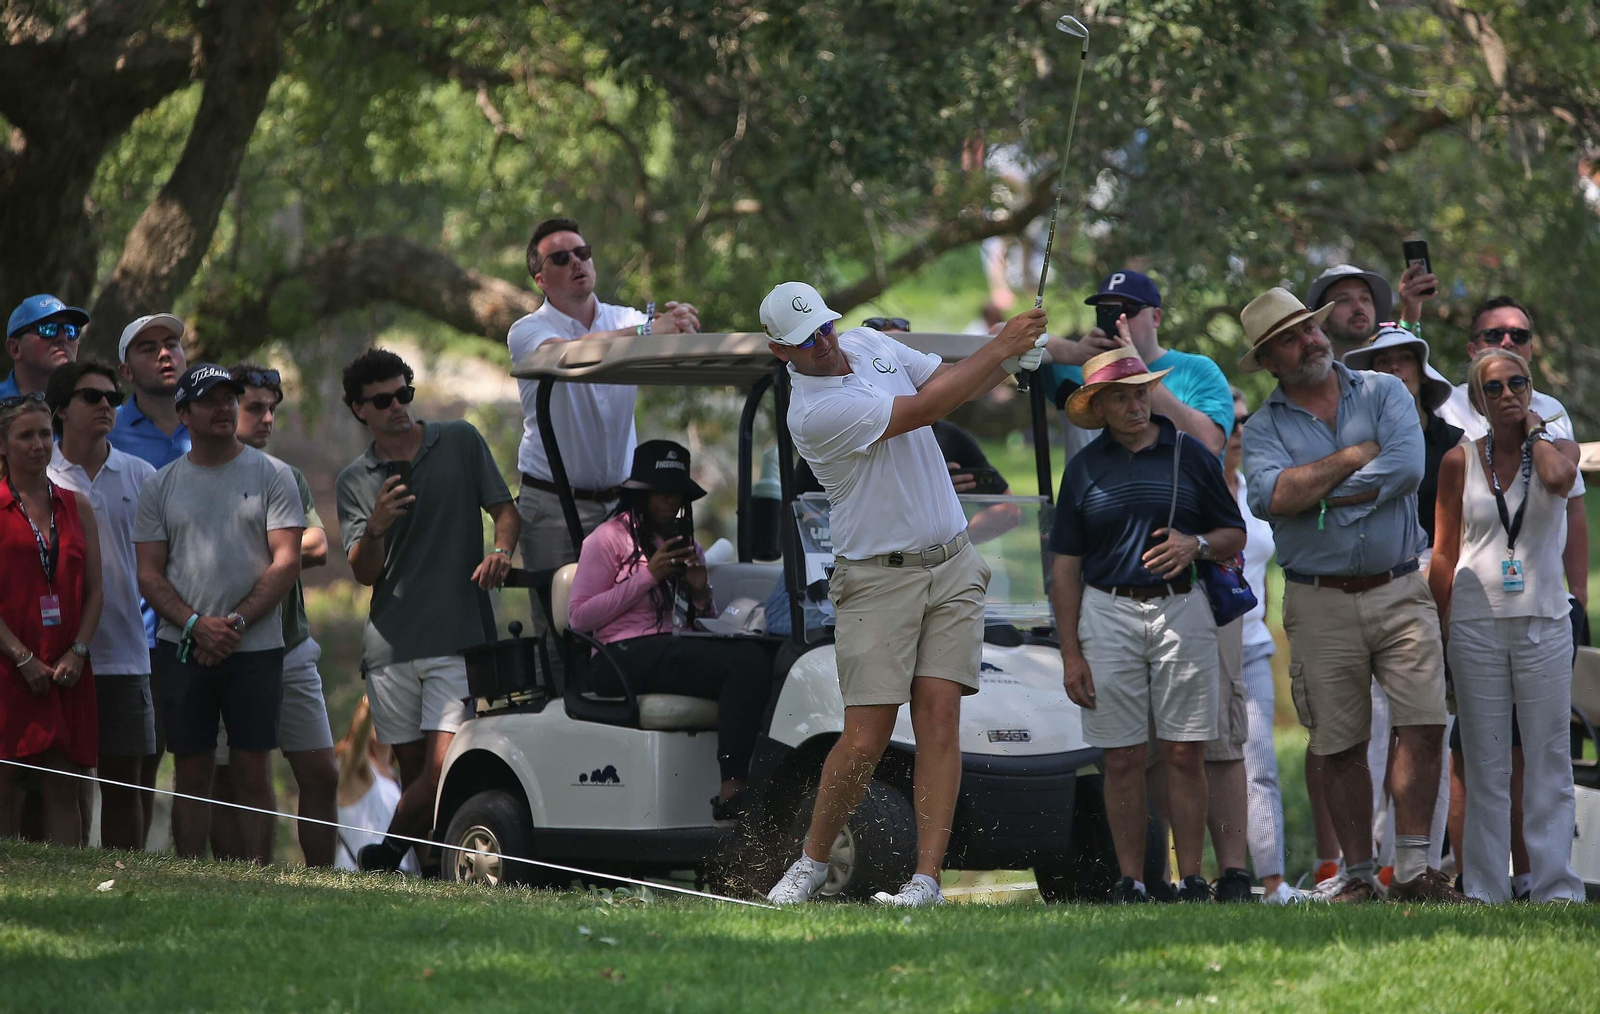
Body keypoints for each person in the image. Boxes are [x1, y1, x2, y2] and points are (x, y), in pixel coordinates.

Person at [760, 282, 1047, 907]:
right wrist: (1002, 346)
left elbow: (945, 379)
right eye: (807, 339)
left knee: (940, 717)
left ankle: (926, 882)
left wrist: (1007, 360)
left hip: (950, 562)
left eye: (826, 327)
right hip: (875, 578)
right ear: (782, 350)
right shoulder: (811, 414)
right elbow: (924, 408)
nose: (824, 343)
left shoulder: (866, 343)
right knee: (866, 735)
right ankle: (811, 862)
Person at [1239, 287, 1466, 903]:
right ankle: (1360, 876)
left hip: (1400, 585)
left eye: (1309, 329)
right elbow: (1273, 498)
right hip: (1318, 600)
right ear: (1269, 361)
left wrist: (1320, 491)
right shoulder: (1261, 429)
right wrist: (1353, 459)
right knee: (1339, 741)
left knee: (1423, 723)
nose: (1310, 340)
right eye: (1289, 338)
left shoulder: (1385, 390)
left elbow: (1407, 468)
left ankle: (1415, 871)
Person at [1042, 271, 1249, 900]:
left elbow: (1233, 533)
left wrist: (1197, 545)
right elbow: (1065, 568)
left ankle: (1194, 878)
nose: (1135, 405)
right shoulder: (1082, 471)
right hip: (1106, 614)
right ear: (1097, 407)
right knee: (1123, 756)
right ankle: (1132, 878)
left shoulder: (1188, 454)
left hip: (1182, 607)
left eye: (1141, 394)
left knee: (1187, 751)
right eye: (1121, 397)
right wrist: (1071, 650)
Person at [335, 348, 518, 873]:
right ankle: (434, 883)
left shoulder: (459, 440)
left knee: (440, 772)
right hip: (390, 649)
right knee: (417, 778)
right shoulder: (355, 480)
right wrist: (375, 526)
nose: (398, 406)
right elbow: (364, 572)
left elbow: (504, 510)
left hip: (458, 638)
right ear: (359, 410)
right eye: (383, 400)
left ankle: (385, 855)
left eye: (404, 393)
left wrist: (501, 551)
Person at [1431, 295, 1588, 894]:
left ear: (1529, 388)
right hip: (1475, 623)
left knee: (1548, 758)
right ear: (1478, 399)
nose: (1506, 396)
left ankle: (1554, 886)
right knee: (1486, 759)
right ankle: (1486, 887)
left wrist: (1533, 431)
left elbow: (1557, 480)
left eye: (1516, 384)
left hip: (1544, 620)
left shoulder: (1558, 447)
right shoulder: (1456, 461)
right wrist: (1440, 627)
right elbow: (1445, 552)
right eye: (1493, 389)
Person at [133, 364, 305, 861]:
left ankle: (260, 879)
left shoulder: (274, 476)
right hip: (182, 646)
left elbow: (287, 561)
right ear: (183, 413)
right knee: (191, 770)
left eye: (229, 398)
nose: (223, 408)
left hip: (256, 647)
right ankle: (190, 873)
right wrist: (195, 625)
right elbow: (149, 573)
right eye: (209, 400)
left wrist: (234, 625)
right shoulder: (160, 486)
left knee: (254, 770)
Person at [508, 217, 700, 643]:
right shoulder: (528, 330)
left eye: (583, 252)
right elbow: (568, 356)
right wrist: (651, 330)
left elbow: (659, 338)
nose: (577, 262)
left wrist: (680, 323)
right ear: (541, 279)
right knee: (559, 629)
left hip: (620, 506)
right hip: (554, 504)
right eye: (561, 258)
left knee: (628, 617)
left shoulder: (624, 318)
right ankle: (561, 708)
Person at [567, 440, 774, 819]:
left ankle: (765, 786)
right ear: (641, 494)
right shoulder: (608, 538)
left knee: (763, 657)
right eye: (660, 491)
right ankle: (732, 786)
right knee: (746, 662)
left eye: (676, 492)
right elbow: (579, 617)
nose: (669, 500)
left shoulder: (682, 543)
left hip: (669, 646)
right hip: (617, 657)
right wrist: (649, 577)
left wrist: (700, 589)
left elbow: (697, 618)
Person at [203, 364, 339, 866]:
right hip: (223, 647)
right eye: (255, 407)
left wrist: (257, 551)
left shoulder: (286, 476)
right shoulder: (197, 473)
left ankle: (322, 880)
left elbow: (319, 544)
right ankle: (238, 878)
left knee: (322, 772)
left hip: (290, 644)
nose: (266, 419)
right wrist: (280, 550)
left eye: (272, 410)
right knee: (228, 776)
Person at [44, 361, 156, 851]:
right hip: (51, 654)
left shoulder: (143, 475)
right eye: (92, 397)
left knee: (124, 778)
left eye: (113, 396)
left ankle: (123, 880)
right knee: (58, 778)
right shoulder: (37, 474)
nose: (107, 405)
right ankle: (62, 875)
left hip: (126, 651)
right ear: (62, 410)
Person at [0, 392, 102, 845]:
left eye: (45, 433)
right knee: (5, 787)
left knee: (67, 782)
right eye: (25, 435)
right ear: (3, 444)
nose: (38, 444)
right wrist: (21, 657)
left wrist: (78, 650)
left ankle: (70, 883)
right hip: (9, 668)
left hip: (65, 669)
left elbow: (97, 590)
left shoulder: (75, 505)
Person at [108, 312, 189, 841]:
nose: (165, 354)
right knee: (137, 764)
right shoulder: (106, 428)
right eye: (148, 348)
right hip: (136, 626)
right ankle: (130, 868)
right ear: (125, 370)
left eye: (172, 344)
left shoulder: (210, 420)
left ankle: (207, 878)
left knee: (206, 762)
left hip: (205, 620)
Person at [1224, 387, 1304, 905]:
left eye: (1242, 421)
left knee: (1260, 764)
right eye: (1225, 422)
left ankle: (1273, 883)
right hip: (1202, 644)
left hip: (1252, 640)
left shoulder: (1255, 484)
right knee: (1192, 761)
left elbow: (1267, 564)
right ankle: (1197, 877)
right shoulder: (1193, 486)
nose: (1236, 431)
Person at [332, 696, 419, 874]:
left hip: (400, 881)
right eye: (379, 713)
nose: (385, 719)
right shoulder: (353, 771)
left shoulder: (399, 778)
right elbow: (356, 744)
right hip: (357, 878)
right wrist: (371, 700)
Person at [2, 295, 86, 400]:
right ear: (15, 349)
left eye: (70, 330)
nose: (63, 338)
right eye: (48, 329)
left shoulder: (98, 405)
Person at [1305, 263, 1393, 358]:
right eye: (1344, 300)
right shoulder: (1311, 372)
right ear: (1323, 320)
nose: (1359, 307)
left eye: (1365, 298)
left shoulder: (1393, 368)